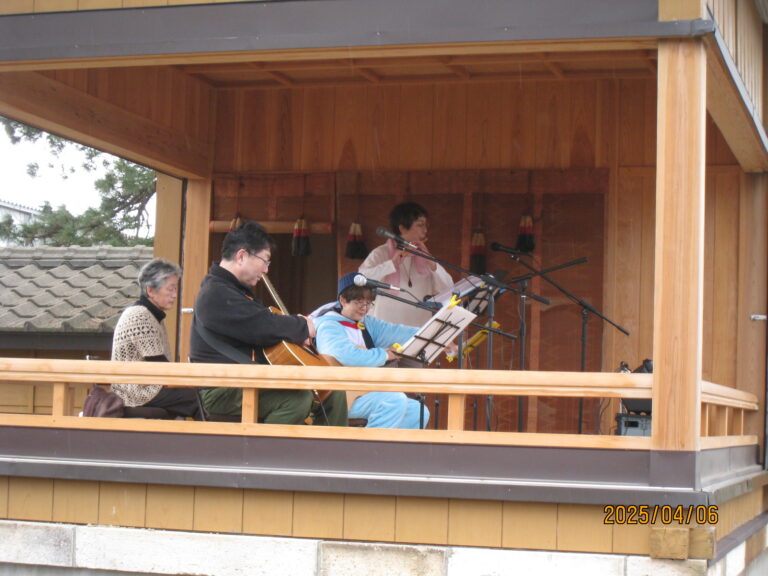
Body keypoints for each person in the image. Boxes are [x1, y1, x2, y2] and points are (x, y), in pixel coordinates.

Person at [189, 221, 347, 425]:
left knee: (332, 391)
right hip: (222, 388)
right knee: (295, 400)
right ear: (242, 256)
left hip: (247, 380)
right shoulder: (215, 294)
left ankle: (329, 454)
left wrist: (294, 328)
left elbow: (264, 323)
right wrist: (302, 326)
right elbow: (263, 325)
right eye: (265, 261)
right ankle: (266, 455)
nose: (265, 270)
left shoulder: (233, 292)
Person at [313, 272, 429, 429]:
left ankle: (392, 452)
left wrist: (429, 334)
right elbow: (344, 355)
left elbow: (395, 332)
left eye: (368, 303)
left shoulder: (366, 322)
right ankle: (367, 452)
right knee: (394, 401)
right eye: (359, 302)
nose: (364, 308)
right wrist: (383, 355)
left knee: (418, 411)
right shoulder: (329, 324)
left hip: (363, 392)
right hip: (339, 397)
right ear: (343, 300)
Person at [110, 258, 204, 419]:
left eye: (176, 289)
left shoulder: (152, 315)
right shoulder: (140, 315)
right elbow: (159, 365)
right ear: (151, 290)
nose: (175, 295)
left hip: (147, 386)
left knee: (196, 394)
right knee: (198, 398)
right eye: (170, 289)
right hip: (135, 391)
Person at [359, 202, 454, 326]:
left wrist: (431, 262)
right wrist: (391, 264)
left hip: (418, 323)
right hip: (386, 323)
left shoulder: (425, 256)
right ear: (402, 228)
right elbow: (361, 279)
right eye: (420, 225)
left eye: (426, 225)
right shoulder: (381, 253)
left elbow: (448, 288)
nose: (425, 230)